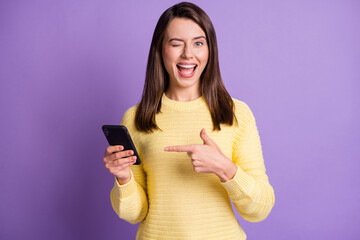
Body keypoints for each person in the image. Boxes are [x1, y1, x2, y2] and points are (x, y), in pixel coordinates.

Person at [102, 2, 275, 239]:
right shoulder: (137, 118)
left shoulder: (236, 113)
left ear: (209, 50)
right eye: (176, 44)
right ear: (160, 49)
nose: (188, 54)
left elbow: (261, 208)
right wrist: (123, 178)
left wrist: (225, 169)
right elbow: (136, 214)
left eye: (198, 43)